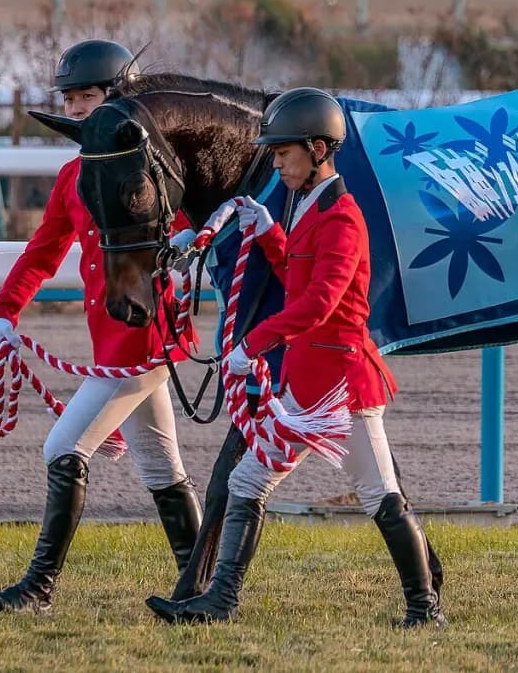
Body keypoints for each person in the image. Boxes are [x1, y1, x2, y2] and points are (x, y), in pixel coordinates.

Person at [145, 87, 446, 627]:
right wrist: (270, 238)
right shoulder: (308, 208)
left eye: (284, 152)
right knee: (248, 482)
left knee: (380, 495)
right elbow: (300, 280)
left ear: (317, 149)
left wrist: (252, 345)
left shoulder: (343, 218)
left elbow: (320, 303)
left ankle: (425, 608)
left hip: (341, 388)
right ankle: (220, 600)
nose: (276, 161)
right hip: (309, 387)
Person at [0, 39, 202, 613]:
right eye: (70, 98)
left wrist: (183, 244)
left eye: (88, 96)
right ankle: (202, 590)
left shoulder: (155, 169)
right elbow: (44, 251)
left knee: (63, 447)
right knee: (162, 470)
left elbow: (195, 224)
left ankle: (39, 588)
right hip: (113, 339)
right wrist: (5, 311)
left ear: (120, 98)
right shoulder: (74, 174)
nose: (76, 109)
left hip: (144, 340)